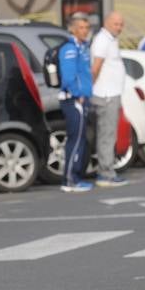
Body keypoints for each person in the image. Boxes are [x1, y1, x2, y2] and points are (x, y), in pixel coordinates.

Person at [90, 11, 128, 187]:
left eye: (121, 24)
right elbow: (96, 67)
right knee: (107, 135)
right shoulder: (102, 40)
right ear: (106, 22)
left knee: (109, 134)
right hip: (105, 95)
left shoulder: (111, 39)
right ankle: (105, 173)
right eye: (116, 24)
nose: (119, 27)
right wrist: (91, 89)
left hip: (112, 93)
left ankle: (107, 171)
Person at [57, 13, 94, 193]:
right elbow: (68, 76)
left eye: (86, 28)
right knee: (75, 140)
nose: (84, 31)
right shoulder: (70, 49)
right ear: (72, 29)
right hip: (74, 100)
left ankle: (75, 176)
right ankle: (70, 179)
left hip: (83, 99)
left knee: (80, 141)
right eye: (81, 28)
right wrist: (77, 94)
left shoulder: (83, 47)